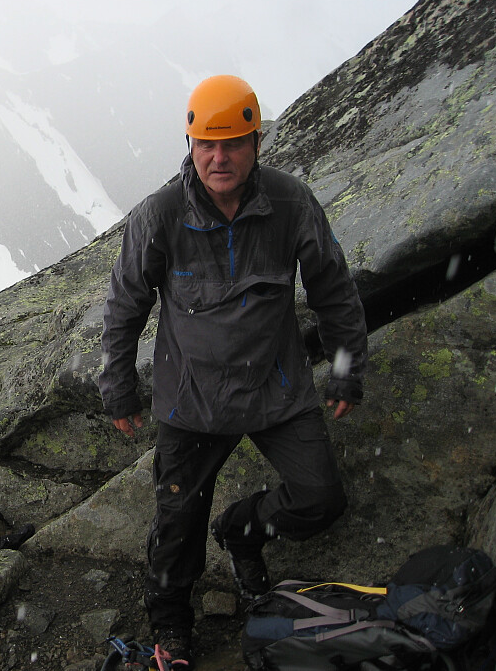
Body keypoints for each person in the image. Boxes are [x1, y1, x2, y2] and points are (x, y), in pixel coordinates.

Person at [98, 75, 367, 666]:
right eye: (206, 145)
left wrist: (346, 370)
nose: (219, 158)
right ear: (190, 145)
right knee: (177, 525)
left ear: (257, 142)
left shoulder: (291, 203)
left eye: (233, 143)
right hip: (191, 401)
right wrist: (118, 388)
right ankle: (172, 630)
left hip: (277, 390)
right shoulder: (160, 215)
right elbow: (124, 308)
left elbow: (334, 290)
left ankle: (243, 530)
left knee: (321, 499)